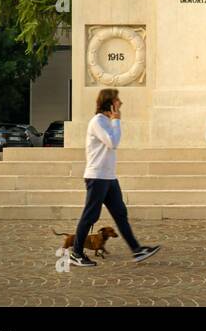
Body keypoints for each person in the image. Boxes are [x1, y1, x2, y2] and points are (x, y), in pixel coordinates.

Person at [69, 89, 161, 268]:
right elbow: (113, 143)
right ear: (109, 102)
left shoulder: (106, 121)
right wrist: (117, 120)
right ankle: (76, 253)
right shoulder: (98, 122)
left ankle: (137, 250)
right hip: (97, 177)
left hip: (109, 177)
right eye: (117, 99)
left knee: (120, 214)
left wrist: (115, 121)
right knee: (90, 216)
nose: (121, 103)